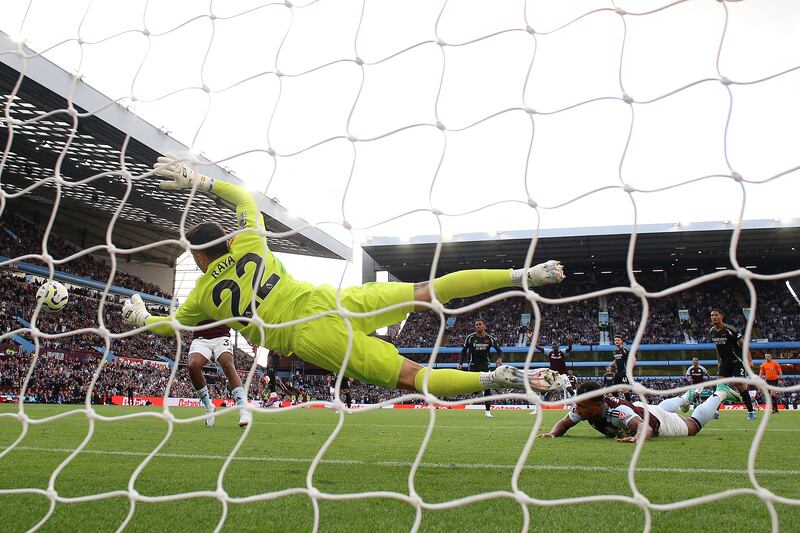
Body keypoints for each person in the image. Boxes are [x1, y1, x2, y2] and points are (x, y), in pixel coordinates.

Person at [121, 155, 566, 401]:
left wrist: (141, 319)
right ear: (228, 240)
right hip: (329, 300)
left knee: (413, 376)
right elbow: (242, 194)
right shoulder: (252, 243)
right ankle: (521, 274)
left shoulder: (201, 293)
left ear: (199, 256)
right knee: (425, 290)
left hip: (306, 336)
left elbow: (173, 326)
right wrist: (197, 179)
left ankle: (500, 380)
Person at [539, 380, 741, 442]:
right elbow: (564, 423)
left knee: (694, 425)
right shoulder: (583, 408)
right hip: (643, 409)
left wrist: (637, 438)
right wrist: (553, 433)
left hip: (654, 420)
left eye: (583, 406)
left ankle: (720, 394)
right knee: (661, 408)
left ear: (599, 404)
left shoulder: (618, 411)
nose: (578, 410)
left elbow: (645, 428)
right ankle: (686, 398)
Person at [186, 322, 250, 427]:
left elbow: (236, 318)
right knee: (193, 366)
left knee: (227, 365)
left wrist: (247, 336)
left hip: (222, 336)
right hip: (200, 339)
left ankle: (243, 409)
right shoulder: (195, 304)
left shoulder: (225, 304)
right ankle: (209, 406)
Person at [709, 308, 756, 419]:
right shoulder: (712, 331)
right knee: (720, 386)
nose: (713, 317)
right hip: (724, 363)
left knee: (741, 387)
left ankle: (751, 412)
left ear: (721, 316)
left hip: (736, 361)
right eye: (711, 315)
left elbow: (743, 344)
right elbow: (717, 347)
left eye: (715, 315)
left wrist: (749, 360)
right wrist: (718, 362)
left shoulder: (731, 329)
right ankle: (716, 412)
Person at [460, 318, 503, 418]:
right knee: (475, 390)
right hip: (473, 365)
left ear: (484, 326)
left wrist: (499, 359)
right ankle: (478, 390)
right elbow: (463, 351)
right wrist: (461, 363)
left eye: (480, 324)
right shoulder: (470, 338)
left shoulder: (490, 339)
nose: (478, 326)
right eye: (476, 325)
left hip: (485, 365)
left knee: (487, 388)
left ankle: (488, 412)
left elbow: (499, 351)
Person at [609, 335, 633, 401]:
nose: (616, 341)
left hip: (624, 372)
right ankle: (617, 402)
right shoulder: (614, 351)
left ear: (621, 341)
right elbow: (616, 359)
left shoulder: (624, 350)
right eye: (615, 340)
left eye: (618, 340)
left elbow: (632, 358)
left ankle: (629, 403)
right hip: (617, 372)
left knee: (625, 389)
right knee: (614, 389)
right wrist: (611, 365)